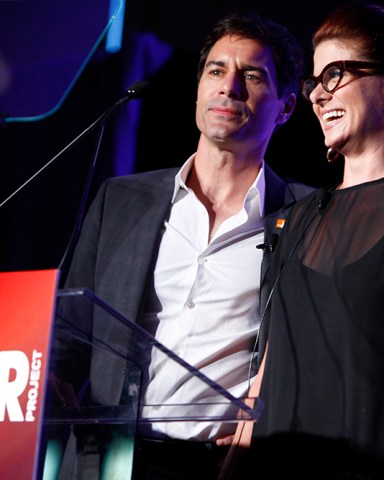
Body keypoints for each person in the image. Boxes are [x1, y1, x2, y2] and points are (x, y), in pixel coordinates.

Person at [50, 11, 314, 480]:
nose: (228, 87)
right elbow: (69, 334)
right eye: (216, 70)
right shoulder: (122, 199)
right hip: (105, 459)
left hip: (215, 467)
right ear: (198, 88)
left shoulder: (305, 217)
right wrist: (46, 375)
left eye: (251, 76)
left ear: (288, 106)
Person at [221, 3, 384, 479]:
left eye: (335, 74)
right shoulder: (292, 221)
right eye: (314, 82)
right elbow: (266, 368)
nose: (317, 96)